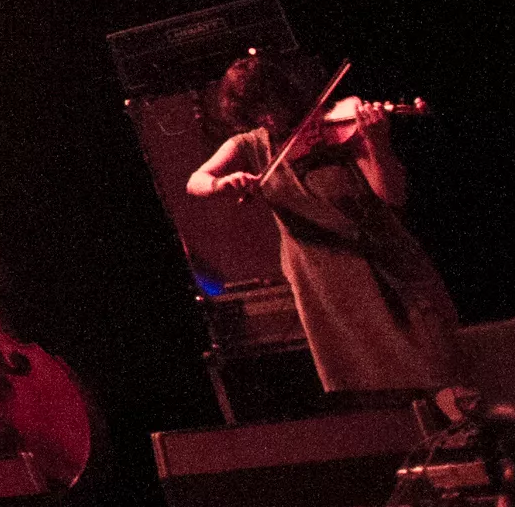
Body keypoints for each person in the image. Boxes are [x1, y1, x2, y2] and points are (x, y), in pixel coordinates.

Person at [186, 52, 463, 396]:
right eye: (258, 111)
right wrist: (220, 184)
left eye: (272, 104)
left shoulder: (338, 127)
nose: (269, 117)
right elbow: (195, 181)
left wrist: (377, 143)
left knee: (437, 370)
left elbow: (392, 195)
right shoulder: (250, 145)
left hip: (381, 267)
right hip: (321, 281)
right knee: (367, 389)